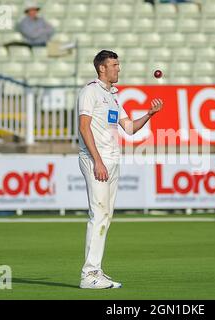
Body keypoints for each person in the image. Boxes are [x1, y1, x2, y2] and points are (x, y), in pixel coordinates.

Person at [77, 50, 163, 289]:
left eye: (118, 64)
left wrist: (149, 114)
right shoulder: (90, 92)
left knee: (105, 216)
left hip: (112, 160)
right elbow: (84, 128)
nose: (118, 68)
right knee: (99, 214)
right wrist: (97, 161)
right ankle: (89, 274)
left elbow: (130, 128)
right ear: (102, 68)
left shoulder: (114, 96)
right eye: (114, 64)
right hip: (97, 160)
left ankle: (96, 270)